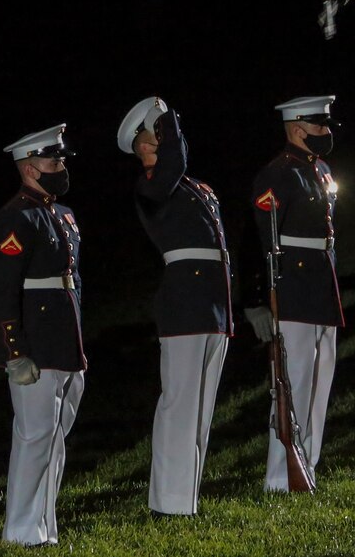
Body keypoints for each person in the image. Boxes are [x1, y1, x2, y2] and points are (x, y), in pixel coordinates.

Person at [117, 96, 233, 517]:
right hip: (184, 302)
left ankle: (187, 498)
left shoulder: (191, 186)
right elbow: (173, 162)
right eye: (160, 134)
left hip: (212, 304)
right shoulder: (152, 186)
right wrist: (168, 120)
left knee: (200, 408)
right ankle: (167, 503)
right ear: (144, 147)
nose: (168, 140)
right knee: (180, 403)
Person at [0, 124, 85, 546]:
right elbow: (2, 288)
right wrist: (13, 350)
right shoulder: (17, 216)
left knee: (54, 438)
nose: (60, 167)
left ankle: (44, 527)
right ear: (30, 168)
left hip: (64, 340)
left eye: (60, 160)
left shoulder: (60, 214)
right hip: (36, 341)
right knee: (34, 436)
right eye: (52, 160)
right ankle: (21, 529)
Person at [242, 95, 343, 491]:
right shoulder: (277, 175)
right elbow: (258, 240)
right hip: (292, 287)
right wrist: (255, 298)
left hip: (320, 285)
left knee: (319, 384)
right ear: (297, 128)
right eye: (319, 126)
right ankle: (282, 475)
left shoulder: (319, 170)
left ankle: (307, 466)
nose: (327, 132)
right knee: (294, 382)